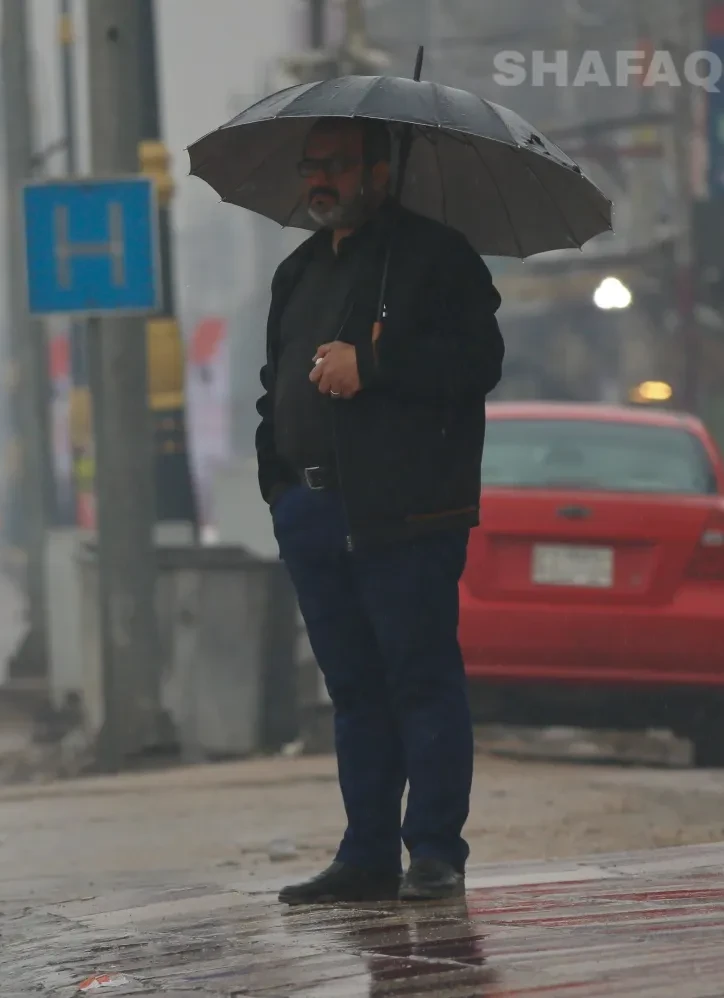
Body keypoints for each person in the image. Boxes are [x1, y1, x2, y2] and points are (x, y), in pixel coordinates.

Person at [253, 116, 504, 904]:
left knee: (419, 677)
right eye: (310, 166)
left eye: (336, 165)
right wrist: (279, 485)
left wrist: (376, 363)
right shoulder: (297, 272)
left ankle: (433, 848)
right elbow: (276, 382)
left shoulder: (434, 258)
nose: (319, 181)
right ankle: (365, 854)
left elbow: (477, 363)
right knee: (354, 689)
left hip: (406, 513)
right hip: (314, 512)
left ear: (381, 171)